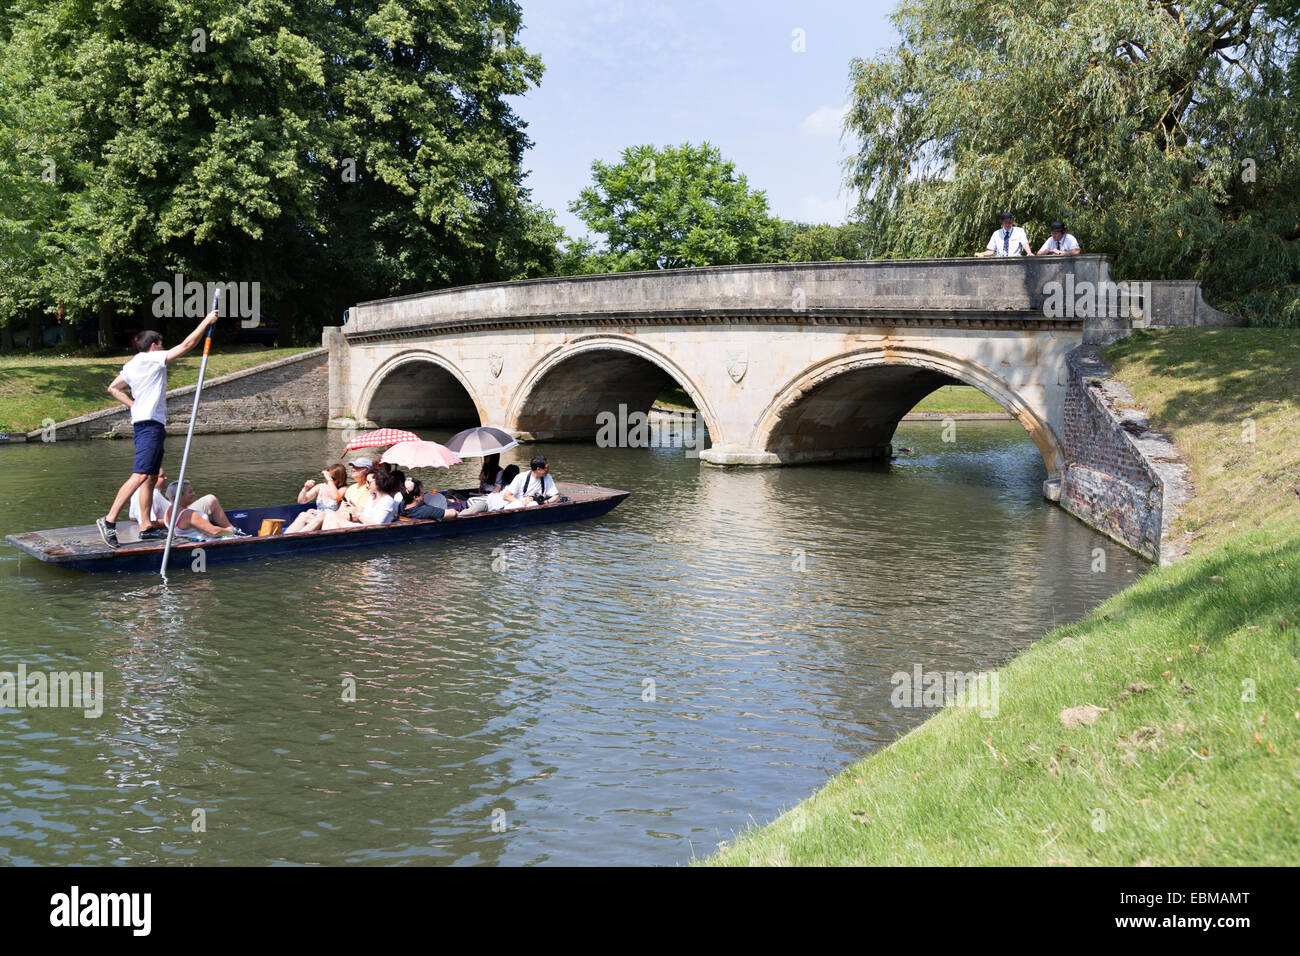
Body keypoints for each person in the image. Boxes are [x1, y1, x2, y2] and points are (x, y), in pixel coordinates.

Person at [97, 309, 219, 547]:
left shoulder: (132, 365)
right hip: (150, 425)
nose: (163, 348)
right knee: (141, 474)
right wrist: (206, 321)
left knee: (151, 477)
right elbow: (185, 346)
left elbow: (113, 388)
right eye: (161, 344)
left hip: (147, 422)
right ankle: (109, 520)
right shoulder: (151, 358)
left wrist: (134, 406)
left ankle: (145, 526)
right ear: (154, 345)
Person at [322, 468, 401, 529]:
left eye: (368, 482)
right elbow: (366, 515)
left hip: (371, 531)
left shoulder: (387, 500)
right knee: (330, 515)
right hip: (364, 527)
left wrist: (357, 513)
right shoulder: (372, 497)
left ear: (378, 481)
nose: (366, 485)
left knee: (332, 517)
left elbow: (377, 524)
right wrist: (354, 508)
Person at [163, 480, 242, 541]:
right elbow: (214, 532)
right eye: (190, 492)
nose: (194, 493)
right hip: (206, 541)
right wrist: (231, 530)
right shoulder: (189, 515)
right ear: (180, 496)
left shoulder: (168, 510)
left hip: (189, 538)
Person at [283, 464, 348, 534]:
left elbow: (335, 497)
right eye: (327, 477)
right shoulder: (320, 487)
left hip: (330, 521)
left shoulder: (343, 489)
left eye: (333, 479)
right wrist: (305, 488)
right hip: (317, 518)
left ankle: (296, 537)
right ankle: (285, 536)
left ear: (340, 480)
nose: (328, 480)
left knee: (321, 516)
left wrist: (329, 479)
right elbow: (301, 501)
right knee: (303, 515)